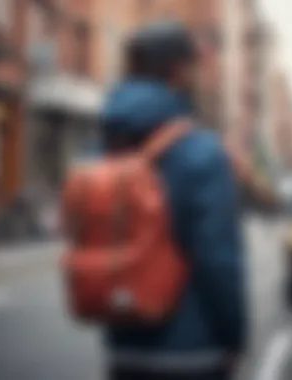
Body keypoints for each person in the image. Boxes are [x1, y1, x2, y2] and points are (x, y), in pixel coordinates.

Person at [100, 21, 247, 380]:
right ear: (180, 71)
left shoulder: (106, 147)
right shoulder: (201, 151)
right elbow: (218, 263)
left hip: (124, 350)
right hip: (193, 353)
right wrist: (233, 338)